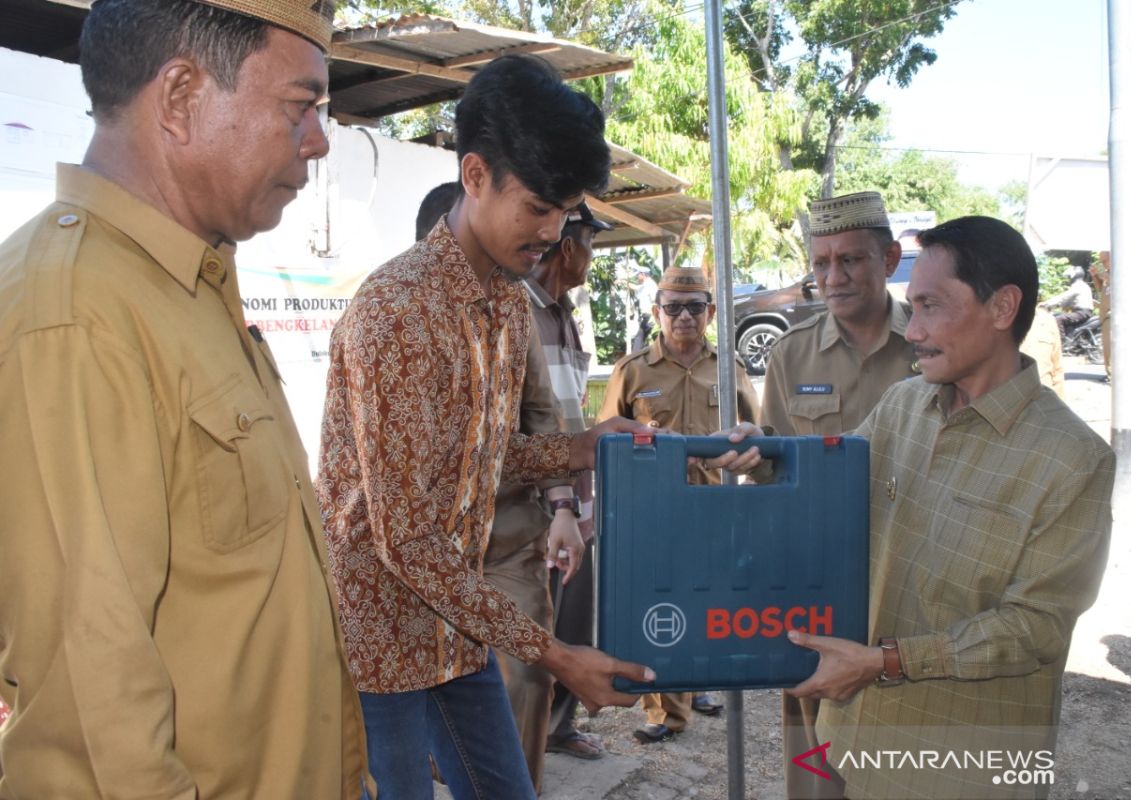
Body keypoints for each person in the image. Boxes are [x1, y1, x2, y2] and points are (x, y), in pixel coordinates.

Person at [316, 55, 761, 799]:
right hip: (379, 638)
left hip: (457, 631)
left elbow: (476, 461)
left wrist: (585, 445)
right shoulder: (398, 311)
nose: (552, 231)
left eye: (564, 210)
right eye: (536, 206)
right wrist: (555, 655)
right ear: (476, 175)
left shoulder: (500, 301)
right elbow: (407, 537)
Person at [0, 1, 372, 797]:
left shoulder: (191, 285)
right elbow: (95, 730)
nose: (318, 140)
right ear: (179, 99)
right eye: (300, 107)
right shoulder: (74, 316)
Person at [784, 216, 1114, 800]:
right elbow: (826, 479)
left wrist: (884, 662)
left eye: (931, 306)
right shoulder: (904, 404)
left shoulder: (1073, 459)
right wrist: (756, 455)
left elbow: (1035, 627)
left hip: (967, 767)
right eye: (912, 307)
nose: (913, 331)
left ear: (1003, 307)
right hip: (854, 738)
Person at [760, 191, 917, 798]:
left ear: (890, 258)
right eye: (821, 263)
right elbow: (775, 476)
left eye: (850, 260)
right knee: (814, 741)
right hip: (817, 575)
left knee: (901, 736)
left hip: (909, 573)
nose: (833, 277)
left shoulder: (932, 346)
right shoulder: (790, 354)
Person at [597, 265, 761, 744]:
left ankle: (697, 683)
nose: (684, 316)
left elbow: (760, 431)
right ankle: (664, 710)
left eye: (694, 307)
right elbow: (608, 442)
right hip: (654, 509)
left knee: (708, 599)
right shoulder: (633, 372)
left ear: (710, 312)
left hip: (716, 506)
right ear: (657, 312)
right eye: (673, 307)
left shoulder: (728, 369)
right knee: (659, 603)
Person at [483, 202, 614, 788]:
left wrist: (572, 499)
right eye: (588, 242)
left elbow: (552, 416)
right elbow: (519, 435)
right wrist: (560, 500)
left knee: (552, 644)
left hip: (563, 502)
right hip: (527, 513)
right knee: (525, 662)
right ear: (568, 245)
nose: (588, 254)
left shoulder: (553, 311)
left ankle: (545, 741)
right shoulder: (518, 309)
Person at [1043, 264, 1094, 335]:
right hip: (1082, 312)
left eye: (1069, 277)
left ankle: (1061, 342)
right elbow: (1067, 302)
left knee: (1058, 319)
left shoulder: (1078, 285)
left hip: (1082, 312)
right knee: (1058, 314)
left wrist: (1047, 304)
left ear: (1073, 276)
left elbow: (1063, 298)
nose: (1068, 279)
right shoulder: (1082, 285)